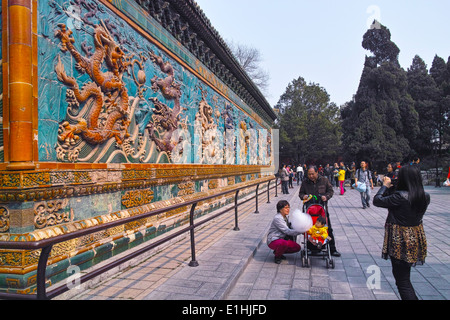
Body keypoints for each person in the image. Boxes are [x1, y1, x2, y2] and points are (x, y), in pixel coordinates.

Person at [373, 165, 430, 300]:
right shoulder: (425, 196)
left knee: (402, 281)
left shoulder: (400, 197)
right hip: (414, 237)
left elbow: (377, 200)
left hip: (400, 239)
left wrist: (385, 186)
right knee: (405, 277)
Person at [299, 165, 340, 257]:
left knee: (327, 229)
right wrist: (303, 196)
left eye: (312, 174)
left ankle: (332, 249)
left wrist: (326, 197)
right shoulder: (305, 182)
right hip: (309, 210)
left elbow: (330, 191)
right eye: (309, 174)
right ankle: (311, 248)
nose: (311, 176)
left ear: (317, 172)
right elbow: (301, 194)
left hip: (322, 210)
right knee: (310, 230)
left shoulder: (324, 180)